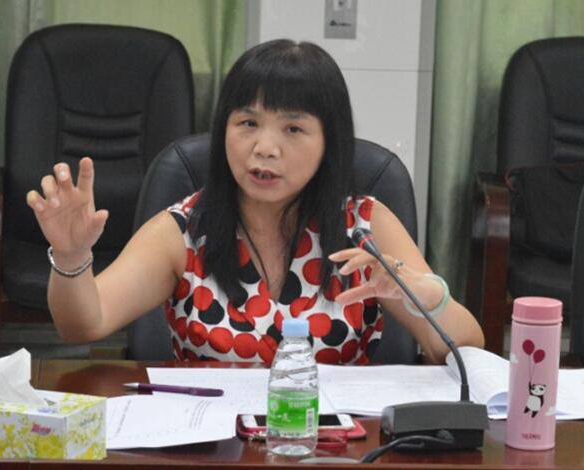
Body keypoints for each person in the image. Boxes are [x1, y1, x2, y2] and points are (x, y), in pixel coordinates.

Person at [26, 39, 484, 365]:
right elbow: (83, 325)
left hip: (336, 449)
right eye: (247, 123)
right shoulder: (183, 229)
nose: (265, 148)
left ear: (330, 142)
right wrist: (71, 257)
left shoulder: (364, 227)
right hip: (209, 448)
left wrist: (428, 297)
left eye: (293, 129)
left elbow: (466, 348)